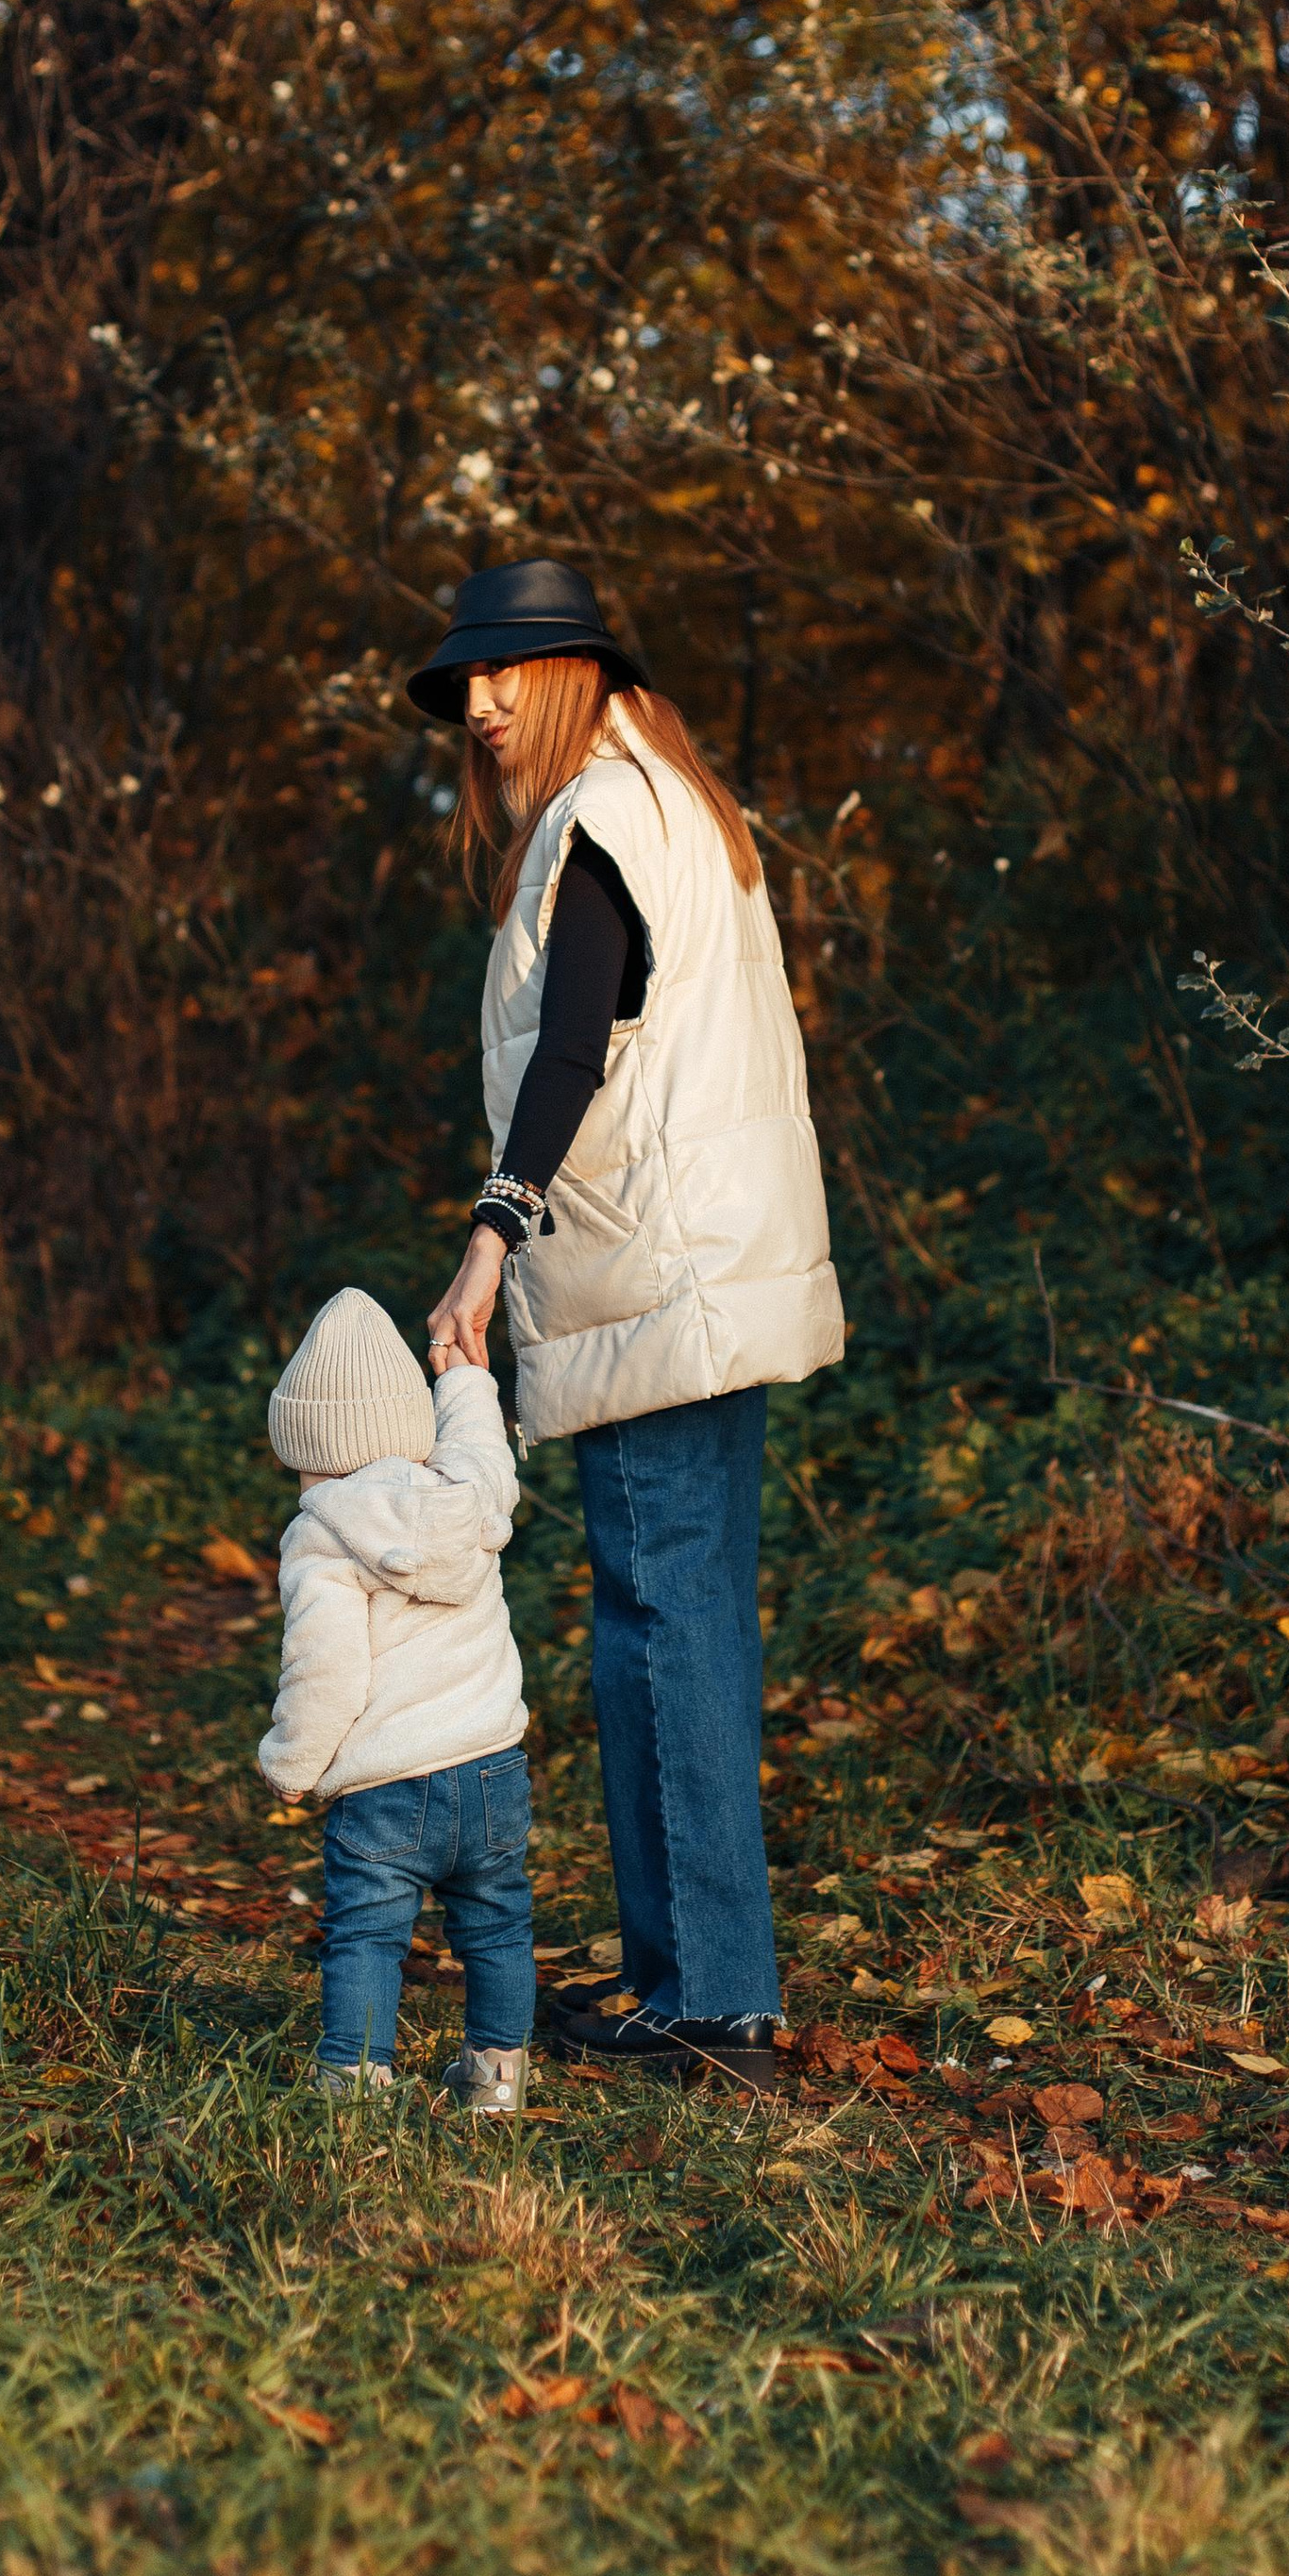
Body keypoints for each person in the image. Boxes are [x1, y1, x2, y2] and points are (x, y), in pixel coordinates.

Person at [410, 558, 842, 2093]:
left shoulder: (597, 821)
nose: (476, 706)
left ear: (573, 671)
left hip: (652, 1277)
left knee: (654, 1622)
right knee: (689, 1614)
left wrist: (485, 1242)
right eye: (466, 680)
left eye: (501, 674)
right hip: (707, 1270)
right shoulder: (675, 801)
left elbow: (575, 1053)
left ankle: (708, 2006)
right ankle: (703, 1983)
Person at [257, 1284, 534, 2116]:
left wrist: (291, 1762)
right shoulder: (468, 1496)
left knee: (368, 1937)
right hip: (492, 1770)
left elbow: (326, 1671)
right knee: (495, 1930)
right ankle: (496, 2083)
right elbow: (485, 1449)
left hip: (385, 1790)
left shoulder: (321, 1538)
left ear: (311, 1450)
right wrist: (465, 1380)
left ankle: (355, 2084)